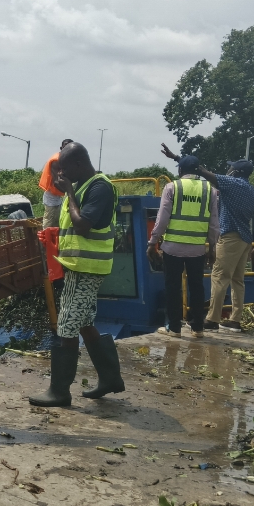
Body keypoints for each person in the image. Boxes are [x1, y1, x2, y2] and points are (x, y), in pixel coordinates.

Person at [29, 142, 124, 407]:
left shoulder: (99, 187)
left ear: (79, 164)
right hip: (77, 267)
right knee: (83, 322)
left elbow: (82, 225)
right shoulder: (84, 186)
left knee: (67, 324)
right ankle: (110, 378)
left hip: (88, 269)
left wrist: (69, 192)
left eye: (64, 168)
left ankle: (59, 391)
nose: (61, 173)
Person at [161, 146, 254, 331]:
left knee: (219, 277)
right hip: (245, 240)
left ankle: (212, 320)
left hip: (230, 237)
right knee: (237, 280)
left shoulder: (231, 183)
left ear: (236, 172)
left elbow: (201, 171)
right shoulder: (252, 191)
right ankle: (235, 320)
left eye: (232, 167)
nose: (229, 169)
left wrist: (179, 159)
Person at [146, 155, 219, 338]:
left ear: (180, 170)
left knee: (172, 287)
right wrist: (212, 247)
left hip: (173, 248)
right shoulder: (210, 190)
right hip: (197, 249)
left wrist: (153, 242)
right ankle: (198, 328)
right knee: (197, 287)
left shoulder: (172, 187)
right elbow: (214, 222)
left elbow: (162, 219)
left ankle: (174, 328)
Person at [38, 139, 74, 228]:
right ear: (61, 148)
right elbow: (56, 182)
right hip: (51, 196)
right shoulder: (56, 161)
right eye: (65, 147)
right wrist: (70, 193)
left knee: (57, 223)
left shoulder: (65, 160)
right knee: (49, 222)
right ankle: (45, 237)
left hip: (57, 196)